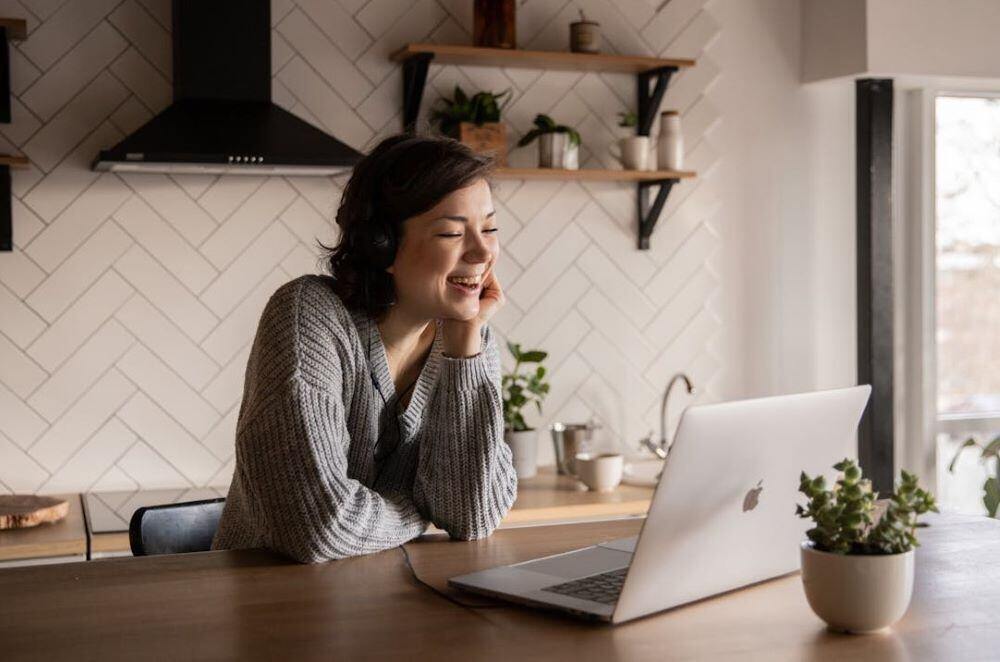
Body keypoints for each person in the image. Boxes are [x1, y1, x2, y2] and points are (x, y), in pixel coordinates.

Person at [211, 135, 518, 563]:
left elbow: (471, 517)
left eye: (490, 228)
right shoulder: (308, 315)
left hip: (388, 606)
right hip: (270, 607)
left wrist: (465, 351)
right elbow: (318, 527)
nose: (483, 252)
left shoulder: (470, 342)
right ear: (383, 246)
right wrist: (418, 509)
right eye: (451, 232)